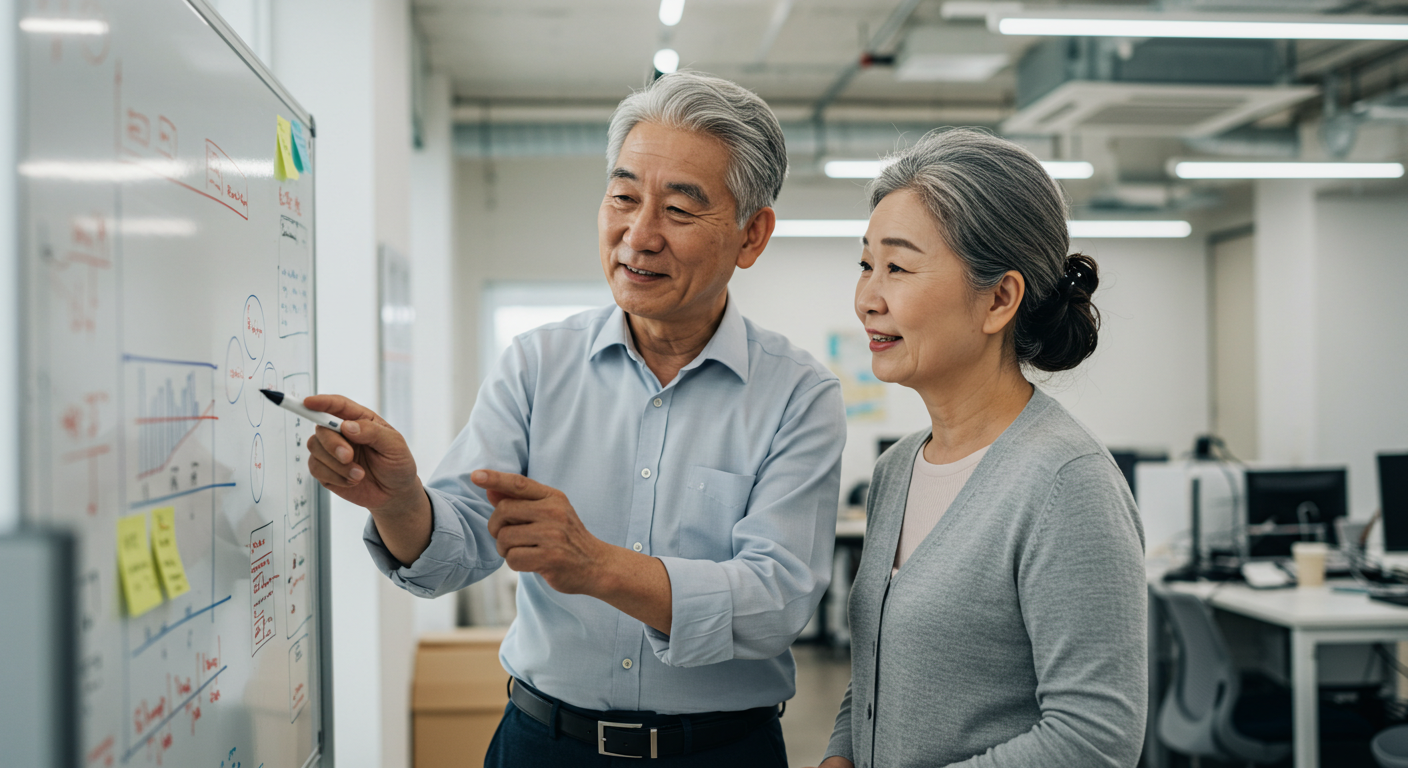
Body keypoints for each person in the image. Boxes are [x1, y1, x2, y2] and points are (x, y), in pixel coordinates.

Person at [305, 71, 846, 767]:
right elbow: (456, 549)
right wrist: (401, 501)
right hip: (543, 743)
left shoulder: (799, 393)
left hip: (720, 752)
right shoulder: (537, 364)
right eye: (624, 197)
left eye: (679, 210)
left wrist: (597, 566)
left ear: (752, 235)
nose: (639, 235)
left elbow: (775, 601)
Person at [811, 129, 1147, 768]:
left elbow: (1096, 740)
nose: (866, 300)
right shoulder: (896, 470)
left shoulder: (1066, 482)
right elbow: (881, 675)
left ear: (999, 299)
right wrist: (840, 755)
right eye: (865, 265)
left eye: (897, 268)